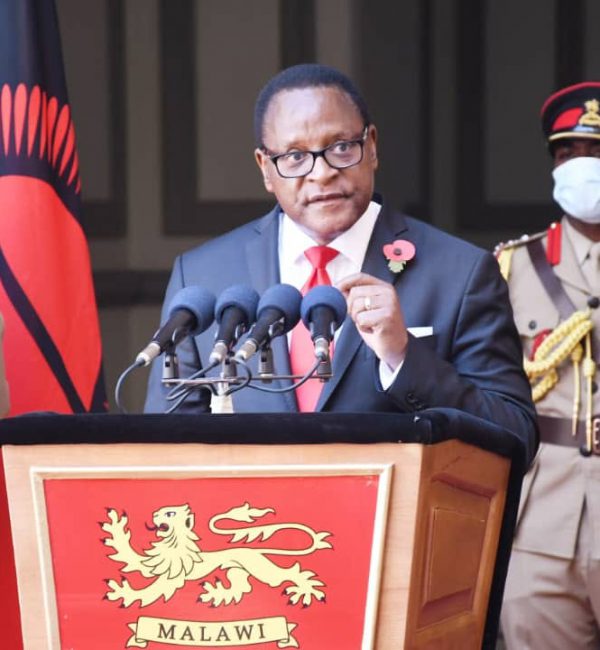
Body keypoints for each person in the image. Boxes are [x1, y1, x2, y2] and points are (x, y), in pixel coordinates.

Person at [144, 63, 536, 460]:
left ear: (372, 147)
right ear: (265, 168)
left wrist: (403, 356)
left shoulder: (461, 273)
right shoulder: (201, 276)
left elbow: (516, 435)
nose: (322, 173)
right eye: (295, 156)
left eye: (342, 148)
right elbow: (165, 453)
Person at [498, 82, 600, 648]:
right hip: (542, 525)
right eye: (568, 153)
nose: (582, 166)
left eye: (596, 152)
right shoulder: (511, 268)